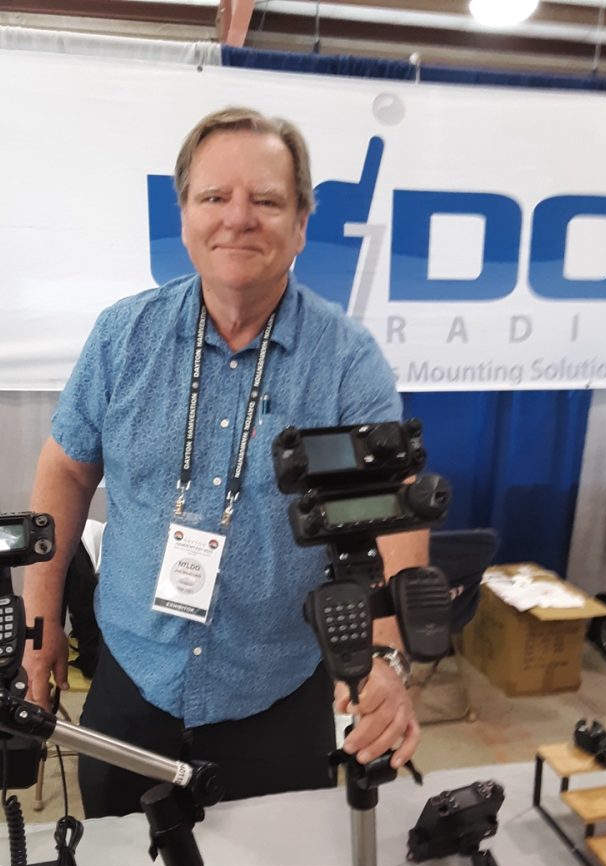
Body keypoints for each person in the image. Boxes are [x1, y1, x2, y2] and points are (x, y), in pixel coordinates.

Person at [22, 107, 427, 817]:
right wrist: (41, 621)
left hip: (276, 689)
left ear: (301, 223)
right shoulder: (124, 337)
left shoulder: (347, 361)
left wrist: (387, 659)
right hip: (133, 681)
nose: (238, 219)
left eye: (267, 201)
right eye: (214, 197)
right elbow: (66, 471)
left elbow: (393, 509)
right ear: (184, 215)